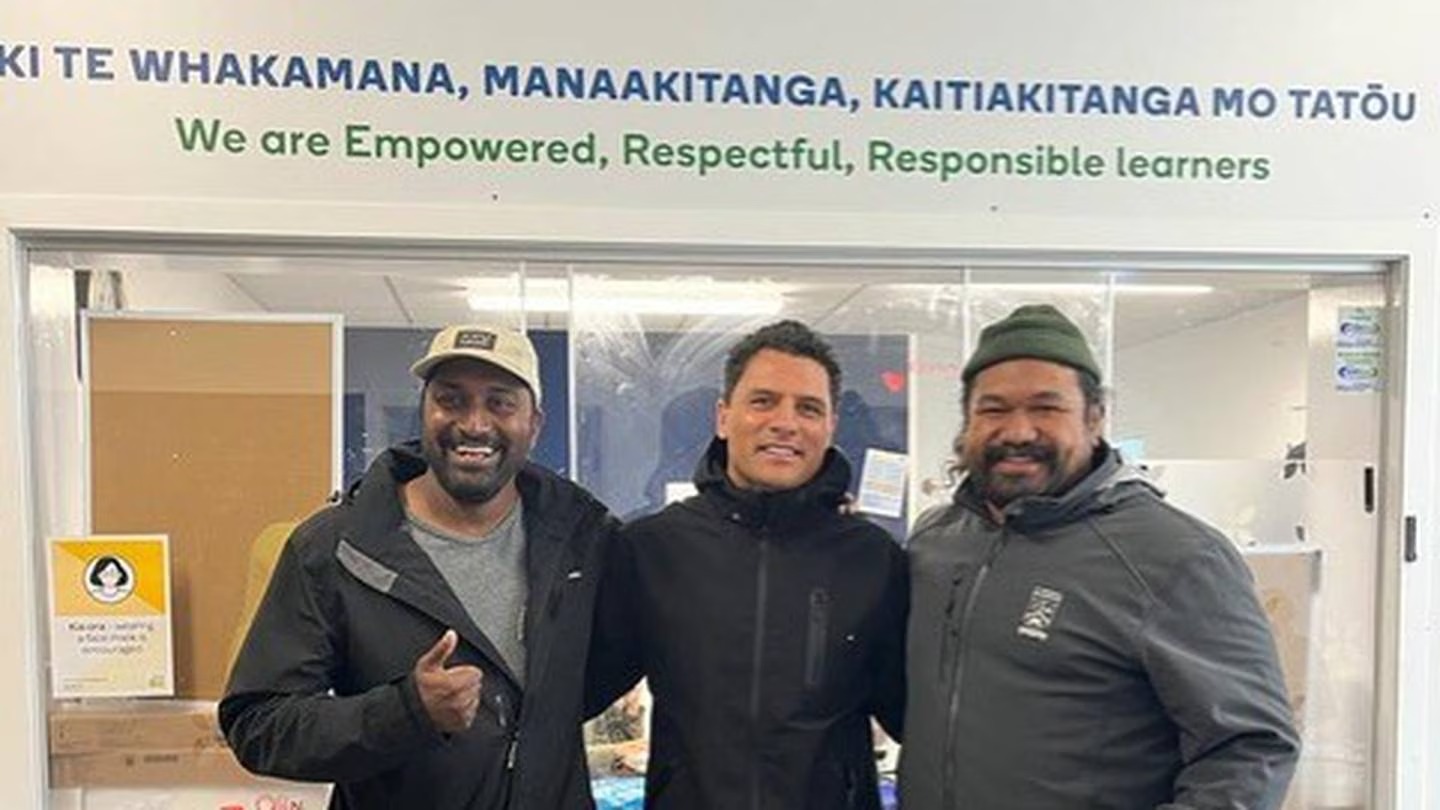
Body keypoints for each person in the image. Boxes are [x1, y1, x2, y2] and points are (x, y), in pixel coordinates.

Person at [899, 304, 1300, 809]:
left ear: (1095, 419)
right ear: (968, 421)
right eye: (994, 409)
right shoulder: (936, 541)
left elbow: (1252, 749)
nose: (1018, 431)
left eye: (1047, 408)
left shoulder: (1176, 557)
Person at [221, 324, 617, 809]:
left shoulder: (583, 541)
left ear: (533, 424)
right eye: (451, 400)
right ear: (425, 410)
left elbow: (594, 680)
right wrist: (406, 713)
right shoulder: (334, 547)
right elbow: (258, 724)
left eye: (500, 403)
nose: (475, 424)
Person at [586, 319, 908, 810]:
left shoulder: (873, 560)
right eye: (763, 401)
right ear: (723, 416)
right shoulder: (653, 549)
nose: (785, 422)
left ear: (830, 427)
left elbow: (919, 718)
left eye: (808, 408)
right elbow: (573, 692)